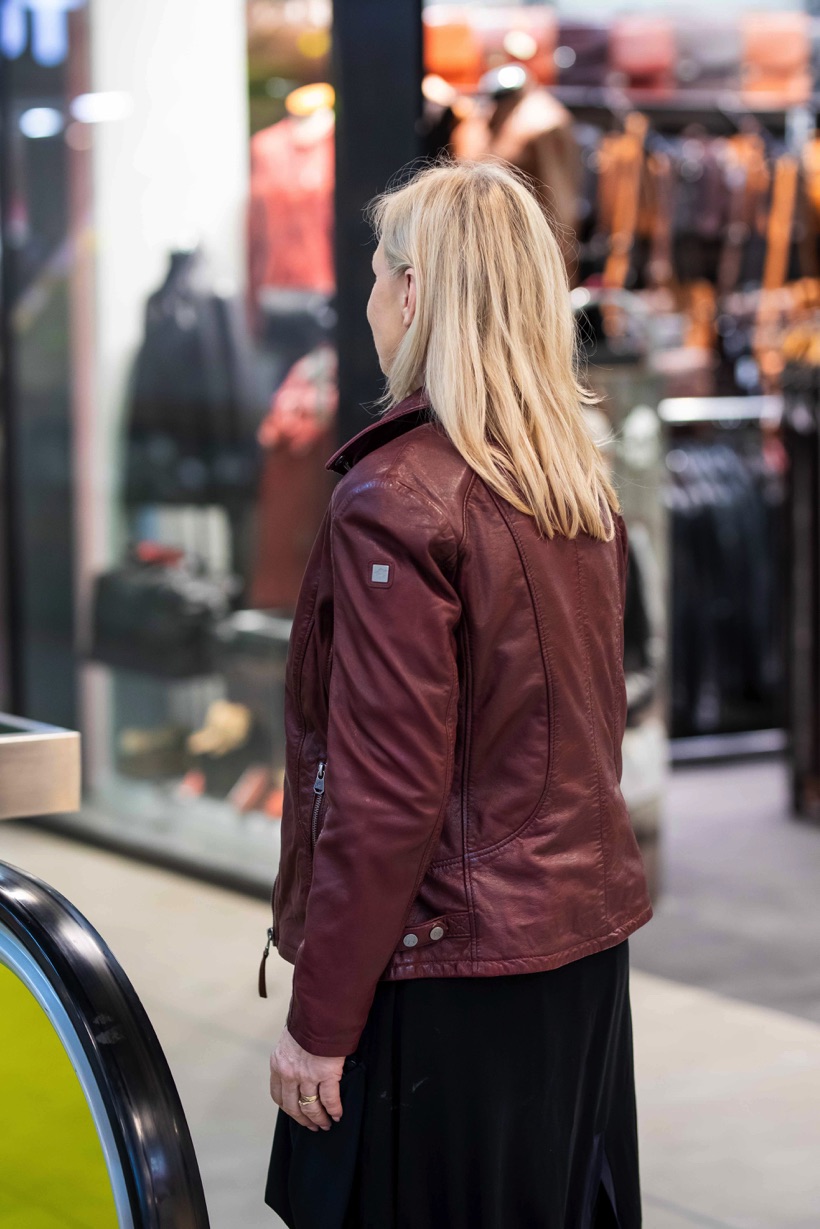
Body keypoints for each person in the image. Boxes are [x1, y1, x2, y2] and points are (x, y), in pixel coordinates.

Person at [261, 157, 654, 1229]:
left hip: (448, 965)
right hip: (576, 949)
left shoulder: (396, 498)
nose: (367, 299)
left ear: (414, 290)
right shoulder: (571, 485)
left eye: (374, 272)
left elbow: (388, 796)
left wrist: (319, 1020)